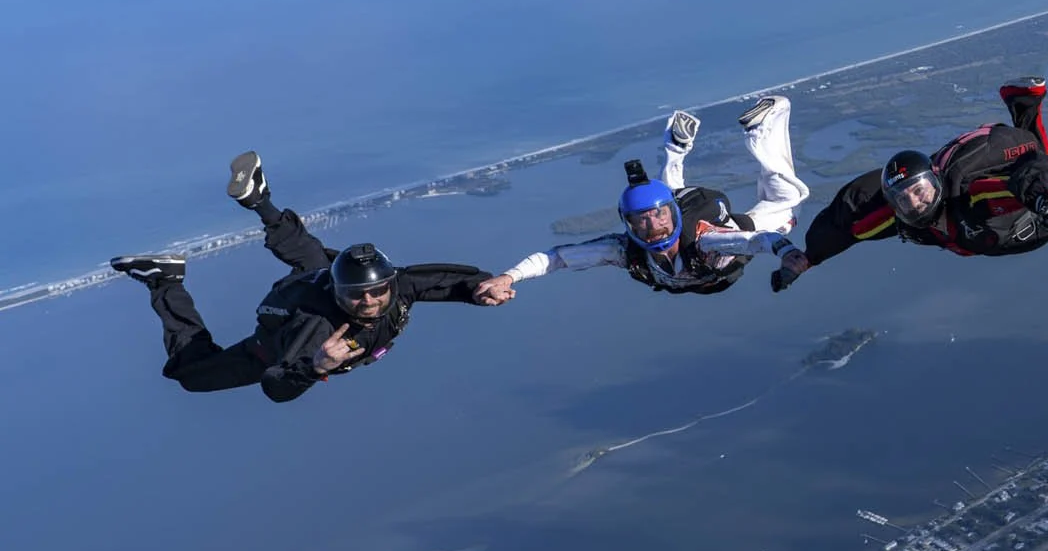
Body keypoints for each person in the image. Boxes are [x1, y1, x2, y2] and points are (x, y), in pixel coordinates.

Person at [110, 152, 507, 402]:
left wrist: (479, 288)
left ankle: (258, 199)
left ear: (387, 283)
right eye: (357, 295)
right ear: (340, 293)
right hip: (274, 340)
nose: (368, 302)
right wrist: (315, 366)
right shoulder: (319, 331)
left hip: (319, 279)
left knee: (313, 259)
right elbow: (275, 386)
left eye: (375, 292)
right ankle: (164, 280)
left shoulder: (392, 285)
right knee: (190, 378)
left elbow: (439, 280)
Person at [771, 79, 1048, 287]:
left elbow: (1039, 168)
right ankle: (1024, 104)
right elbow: (845, 224)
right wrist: (808, 259)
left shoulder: (975, 196)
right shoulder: (895, 213)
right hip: (1014, 221)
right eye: (904, 199)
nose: (915, 202)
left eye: (919, 191)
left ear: (934, 180)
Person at [476, 96, 808, 300]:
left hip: (728, 246)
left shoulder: (707, 240)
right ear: (629, 224)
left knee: (788, 201)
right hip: (703, 275)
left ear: (673, 215)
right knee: (670, 194)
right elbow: (557, 258)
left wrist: (787, 250)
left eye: (660, 216)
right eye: (643, 220)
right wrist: (509, 276)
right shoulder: (626, 250)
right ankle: (674, 150)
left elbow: (756, 241)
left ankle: (766, 127)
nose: (654, 227)